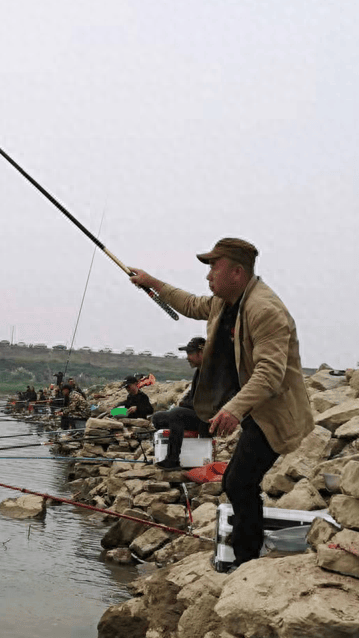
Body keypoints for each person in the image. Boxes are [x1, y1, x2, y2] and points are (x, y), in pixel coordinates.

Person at [129, 238, 314, 568]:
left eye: (214, 266)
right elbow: (189, 303)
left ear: (237, 272)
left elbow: (270, 373)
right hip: (252, 408)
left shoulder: (265, 310)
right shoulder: (224, 302)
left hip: (273, 413)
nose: (208, 275)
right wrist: (152, 283)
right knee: (239, 482)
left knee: (238, 481)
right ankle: (247, 555)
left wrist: (234, 408)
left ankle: (245, 563)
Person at [152, 336, 207, 469]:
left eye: (190, 353)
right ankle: (166, 453)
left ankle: (173, 459)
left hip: (206, 419)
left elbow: (206, 402)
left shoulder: (212, 372)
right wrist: (183, 403)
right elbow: (191, 396)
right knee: (158, 417)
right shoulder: (199, 371)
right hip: (194, 414)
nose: (187, 357)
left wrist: (184, 406)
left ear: (201, 353)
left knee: (177, 414)